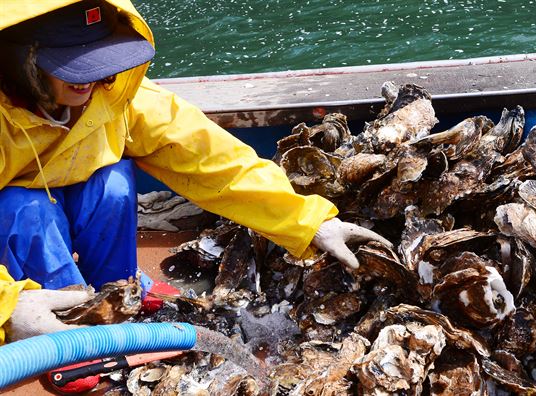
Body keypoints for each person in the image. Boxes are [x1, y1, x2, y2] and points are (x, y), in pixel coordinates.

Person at [0, 0, 391, 343]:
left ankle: (117, 297)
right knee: (24, 207)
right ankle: (62, 320)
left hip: (74, 196)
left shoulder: (118, 96)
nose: (95, 81)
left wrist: (309, 221)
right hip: (16, 230)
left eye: (103, 63)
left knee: (113, 182)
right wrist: (8, 308)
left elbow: (212, 159)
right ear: (23, 62)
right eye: (74, 68)